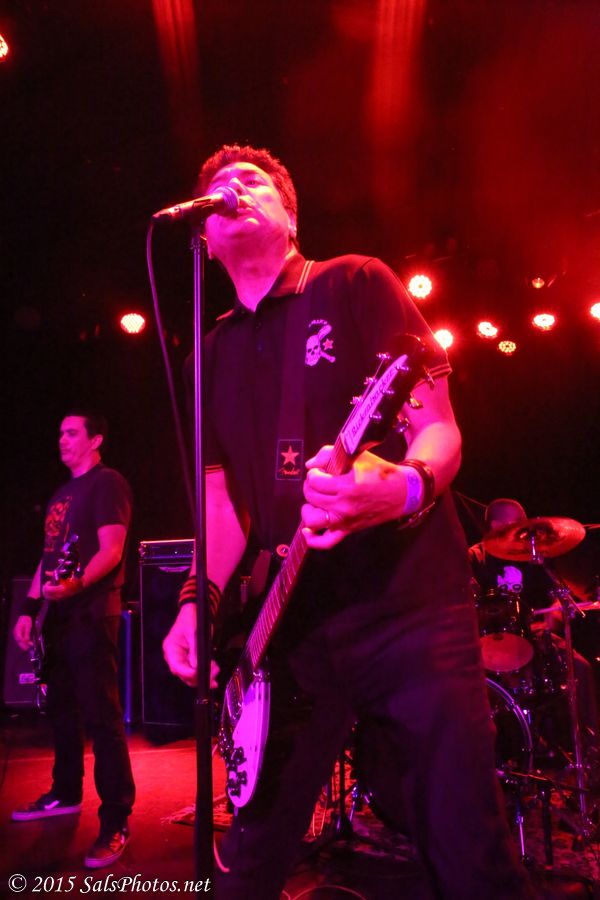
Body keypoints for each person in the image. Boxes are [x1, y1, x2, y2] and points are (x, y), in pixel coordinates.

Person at [163, 144, 534, 899]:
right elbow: (223, 507)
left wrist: (402, 487)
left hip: (407, 607)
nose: (235, 189)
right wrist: (197, 600)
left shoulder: (356, 281)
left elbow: (440, 430)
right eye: (219, 188)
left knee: (468, 854)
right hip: (292, 628)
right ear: (204, 237)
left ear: (290, 216)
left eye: (253, 181)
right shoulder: (211, 353)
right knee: (246, 868)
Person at [12, 410, 135, 869]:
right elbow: (47, 559)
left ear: (95, 439)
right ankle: (65, 792)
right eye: (59, 432)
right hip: (59, 618)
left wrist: (76, 584)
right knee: (62, 712)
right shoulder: (61, 494)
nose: (61, 439)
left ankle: (116, 819)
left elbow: (112, 550)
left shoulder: (108, 484)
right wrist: (30, 609)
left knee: (102, 718)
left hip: (92, 615)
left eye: (71, 432)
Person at [470, 498, 599, 748]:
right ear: (497, 526)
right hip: (491, 644)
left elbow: (554, 597)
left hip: (535, 635)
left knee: (580, 668)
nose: (523, 532)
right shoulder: (476, 557)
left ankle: (589, 748)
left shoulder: (532, 557)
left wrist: (553, 617)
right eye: (516, 525)